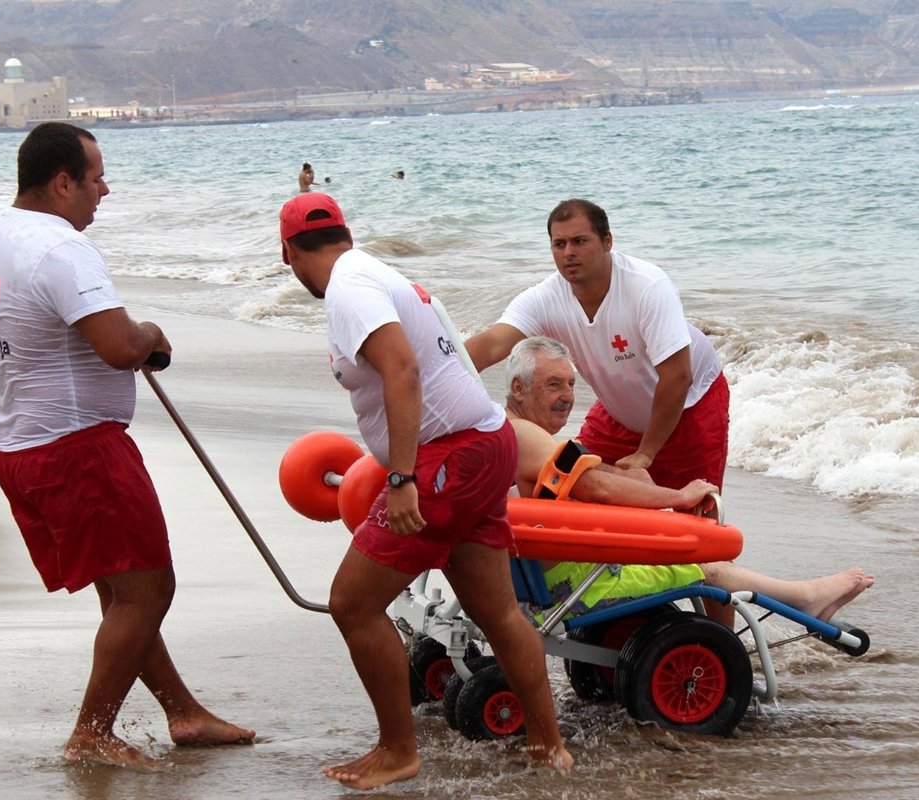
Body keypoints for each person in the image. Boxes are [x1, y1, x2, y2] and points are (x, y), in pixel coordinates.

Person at [0, 122, 254, 770]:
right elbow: (121, 348)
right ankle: (91, 732)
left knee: (124, 593)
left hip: (18, 445)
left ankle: (183, 712)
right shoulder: (62, 248)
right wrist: (152, 331)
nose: (105, 190)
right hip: (76, 450)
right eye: (97, 179)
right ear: (63, 182)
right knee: (148, 590)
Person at [277, 193, 572, 790]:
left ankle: (397, 751)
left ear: (288, 252)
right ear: (345, 234)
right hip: (484, 440)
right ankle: (549, 746)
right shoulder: (376, 273)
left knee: (353, 604)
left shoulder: (347, 287)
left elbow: (403, 369)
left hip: (449, 456)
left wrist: (402, 477)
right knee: (497, 611)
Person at [504, 336, 874, 620]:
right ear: (518, 388)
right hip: (570, 590)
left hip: (541, 581)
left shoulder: (505, 429)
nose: (567, 396)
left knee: (644, 488)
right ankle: (806, 598)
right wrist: (677, 497)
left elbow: (588, 477)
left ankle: (801, 597)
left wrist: (640, 484)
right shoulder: (526, 436)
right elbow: (594, 486)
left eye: (571, 384)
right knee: (706, 566)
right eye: (554, 385)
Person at [466, 198, 729, 493]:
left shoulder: (647, 286)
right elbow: (492, 344)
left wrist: (646, 453)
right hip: (617, 412)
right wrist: (435, 380)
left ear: (607, 242)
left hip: (689, 407)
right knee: (562, 481)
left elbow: (678, 376)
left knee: (694, 505)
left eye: (579, 241)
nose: (569, 252)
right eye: (559, 244)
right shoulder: (545, 298)